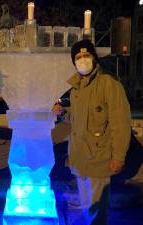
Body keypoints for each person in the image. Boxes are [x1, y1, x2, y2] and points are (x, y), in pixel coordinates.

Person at [52, 39, 131, 225]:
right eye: (78, 57)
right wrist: (63, 112)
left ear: (95, 59)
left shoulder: (109, 84)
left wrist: (119, 156)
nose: (82, 60)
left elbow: (121, 123)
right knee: (88, 208)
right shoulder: (76, 89)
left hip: (98, 159)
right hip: (80, 159)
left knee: (96, 212)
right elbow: (77, 120)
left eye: (86, 55)